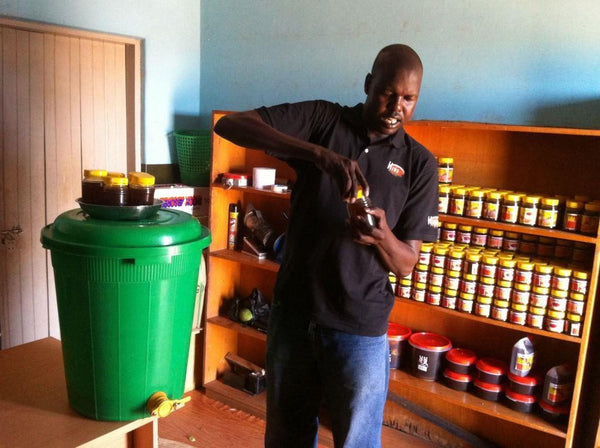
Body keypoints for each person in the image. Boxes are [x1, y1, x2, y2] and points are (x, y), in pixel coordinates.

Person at [214, 44, 439, 448]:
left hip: (360, 329)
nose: (396, 106)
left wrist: (381, 235)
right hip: (294, 315)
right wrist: (318, 155)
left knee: (356, 440)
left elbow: (406, 264)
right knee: (286, 436)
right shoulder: (323, 119)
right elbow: (230, 124)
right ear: (369, 84)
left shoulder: (419, 163)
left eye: (409, 99)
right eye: (389, 92)